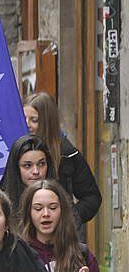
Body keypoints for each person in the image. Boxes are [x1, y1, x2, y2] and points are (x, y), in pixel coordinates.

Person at [24, 92, 102, 230]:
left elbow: (91, 197)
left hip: (61, 237)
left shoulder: (67, 154)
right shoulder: (16, 150)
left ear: (46, 123)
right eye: (24, 119)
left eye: (34, 120)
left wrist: (69, 218)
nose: (27, 125)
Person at [0, 136, 55, 224]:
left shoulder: (59, 199)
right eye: (27, 166)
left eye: (41, 164)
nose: (36, 171)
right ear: (16, 168)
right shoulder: (1, 204)